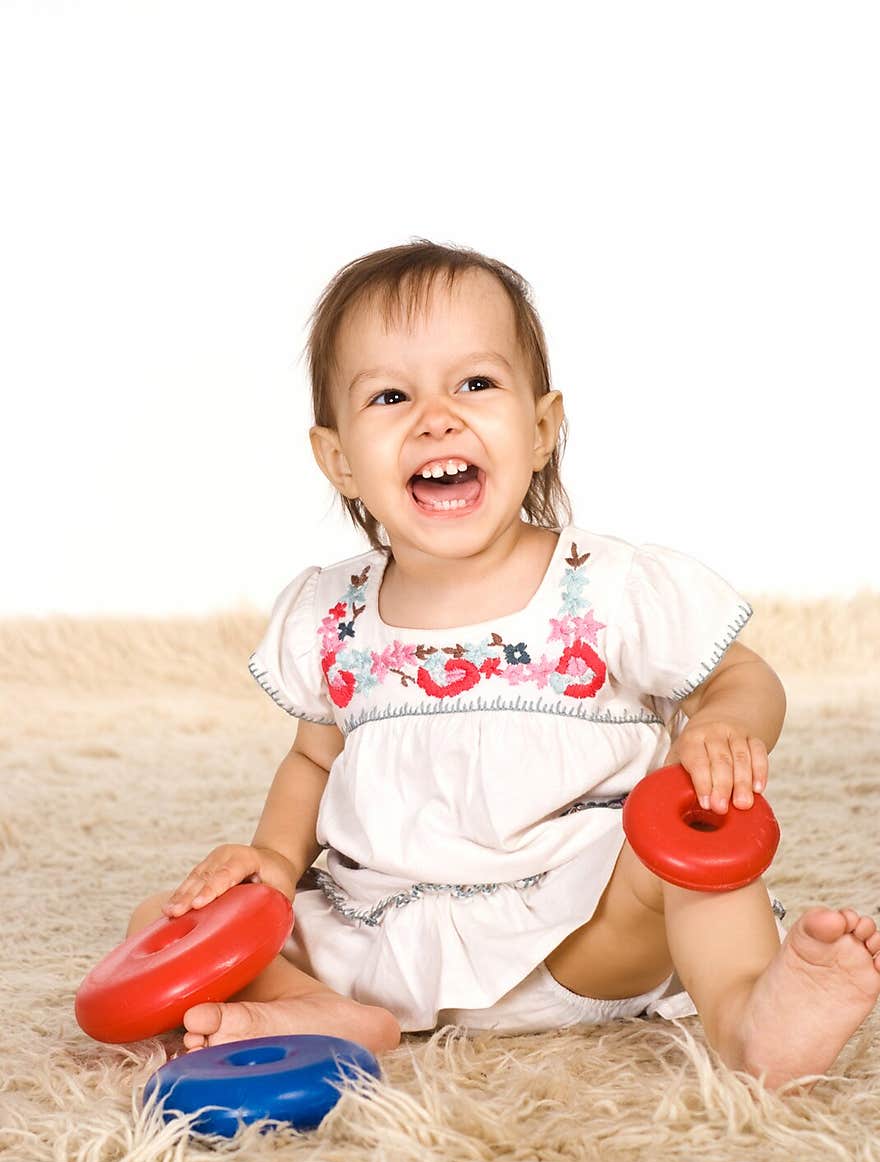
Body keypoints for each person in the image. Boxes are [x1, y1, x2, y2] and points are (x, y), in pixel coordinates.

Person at [124, 239, 880, 1090]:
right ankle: (330, 1010)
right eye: (390, 395)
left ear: (542, 428)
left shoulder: (605, 588)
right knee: (174, 917)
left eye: (475, 384)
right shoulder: (332, 614)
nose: (436, 417)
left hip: (584, 924)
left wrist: (726, 726)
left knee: (692, 847)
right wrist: (269, 858)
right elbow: (311, 756)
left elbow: (742, 676)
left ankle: (752, 1016)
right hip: (379, 934)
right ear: (338, 458)